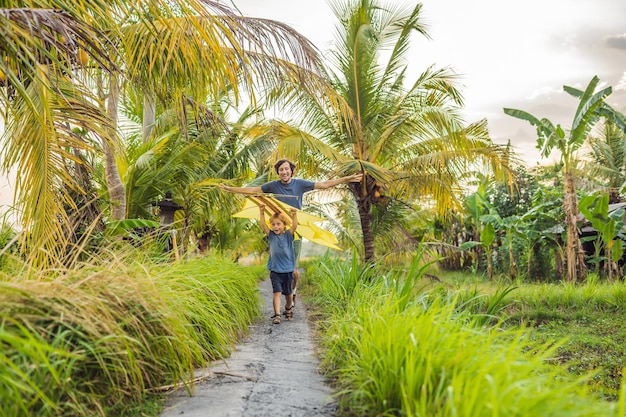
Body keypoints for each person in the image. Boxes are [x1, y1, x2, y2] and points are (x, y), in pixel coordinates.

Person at [220, 159, 363, 305]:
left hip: (295, 230)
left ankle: (292, 292)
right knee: (280, 268)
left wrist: (347, 178)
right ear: (278, 172)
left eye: (286, 169)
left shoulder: (300, 184)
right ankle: (282, 293)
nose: (284, 172)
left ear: (291, 170)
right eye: (281, 170)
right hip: (277, 233)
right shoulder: (273, 185)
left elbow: (324, 185)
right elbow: (253, 190)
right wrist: (231, 189)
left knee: (294, 271)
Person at [259, 203, 298, 324]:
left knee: (288, 294)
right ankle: (277, 315)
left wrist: (294, 215)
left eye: (278, 224)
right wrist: (261, 212)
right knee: (277, 292)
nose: (275, 227)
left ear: (284, 225)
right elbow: (263, 224)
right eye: (273, 224)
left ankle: (288, 307)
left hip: (287, 270)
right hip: (275, 270)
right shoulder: (271, 236)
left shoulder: (288, 235)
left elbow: (295, 226)